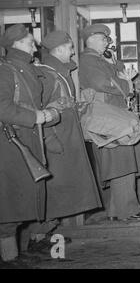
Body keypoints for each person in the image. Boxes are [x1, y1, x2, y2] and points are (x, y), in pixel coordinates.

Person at [22, 30, 103, 251]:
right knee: (54, 191)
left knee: (62, 191)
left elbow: (61, 105)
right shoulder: (46, 74)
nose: (74, 51)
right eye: (70, 47)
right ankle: (34, 238)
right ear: (58, 50)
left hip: (66, 139)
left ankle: (41, 235)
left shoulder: (60, 73)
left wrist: (79, 105)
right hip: (55, 142)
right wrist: (49, 140)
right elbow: (37, 110)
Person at [78, 24, 140, 221]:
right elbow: (103, 84)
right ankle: (128, 210)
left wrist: (116, 63)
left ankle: (117, 211)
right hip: (107, 120)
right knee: (120, 164)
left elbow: (116, 78)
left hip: (114, 117)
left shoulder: (101, 59)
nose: (107, 42)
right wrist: (127, 84)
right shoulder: (88, 60)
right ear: (90, 39)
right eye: (103, 38)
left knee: (122, 163)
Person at [0, 24, 58, 263]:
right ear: (14, 44)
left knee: (22, 201)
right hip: (10, 143)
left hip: (25, 141)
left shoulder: (25, 68)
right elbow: (2, 107)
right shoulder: (5, 70)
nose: (34, 46)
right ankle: (10, 257)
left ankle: (16, 253)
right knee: (10, 203)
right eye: (28, 42)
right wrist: (36, 117)